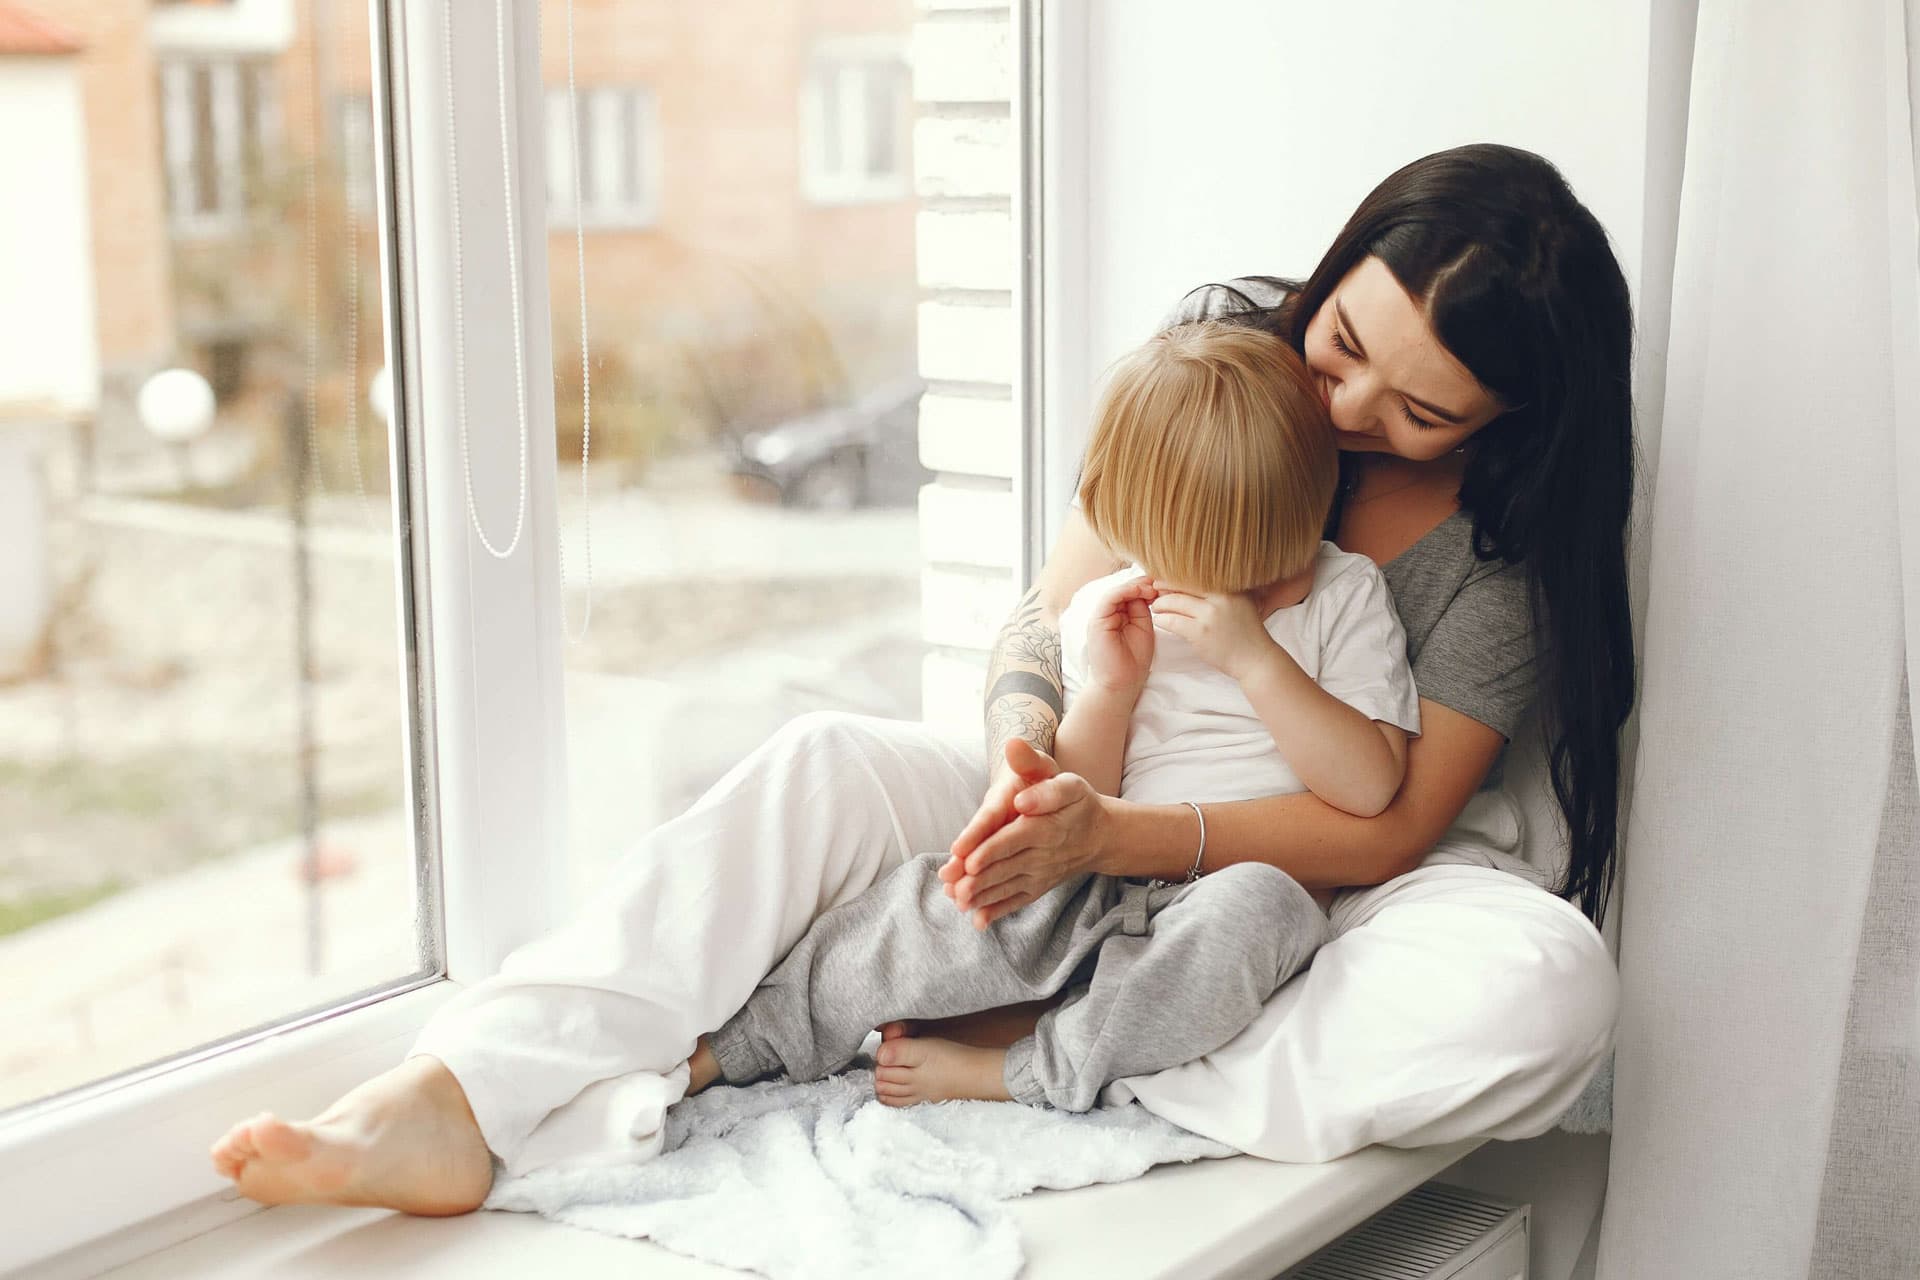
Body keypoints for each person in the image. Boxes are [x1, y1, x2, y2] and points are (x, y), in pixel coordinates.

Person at [209, 143, 1631, 1216]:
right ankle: (466, 1091)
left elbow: (1386, 825)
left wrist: (1133, 839)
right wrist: (1029, 745)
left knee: (1545, 994)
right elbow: (1051, 619)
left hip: (1322, 875)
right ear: (1324, 290)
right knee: (826, 759)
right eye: (1340, 348)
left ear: (1513, 422)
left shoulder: (1486, 567)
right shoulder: (1226, 377)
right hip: (1108, 780)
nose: (1346, 414)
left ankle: (1051, 1050)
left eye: (1424, 409)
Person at [685, 323, 1418, 1112]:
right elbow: (1087, 788)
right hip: (1099, 875)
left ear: (1306, 523)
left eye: (1259, 578)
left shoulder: (1345, 597)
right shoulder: (1117, 610)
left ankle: (1031, 1067)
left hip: (1227, 898)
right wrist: (1110, 691)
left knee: (1258, 914)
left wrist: (1257, 659)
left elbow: (1370, 785)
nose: (1213, 598)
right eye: (1177, 566)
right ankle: (746, 1042)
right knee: (932, 900)